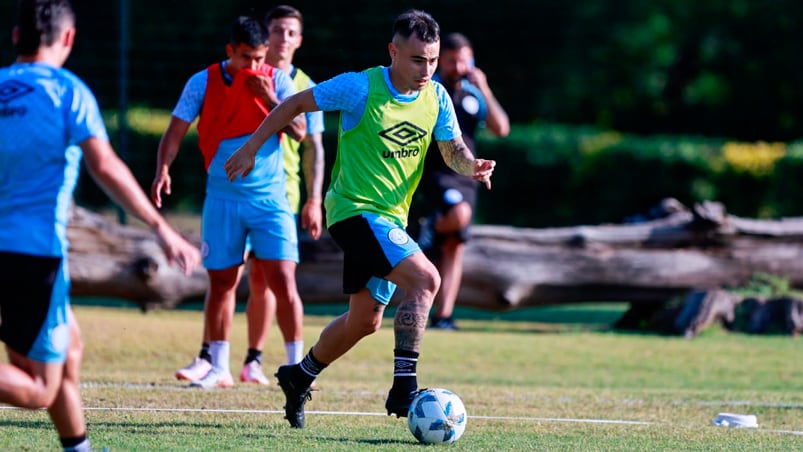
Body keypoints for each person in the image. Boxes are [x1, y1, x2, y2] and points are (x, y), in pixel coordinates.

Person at [224, 9, 496, 428]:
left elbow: (452, 149)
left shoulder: (437, 97)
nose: (427, 70)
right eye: (417, 60)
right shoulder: (359, 87)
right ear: (393, 51)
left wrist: (472, 164)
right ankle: (405, 387)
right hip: (353, 211)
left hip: (390, 220)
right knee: (426, 279)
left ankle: (299, 376)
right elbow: (295, 102)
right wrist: (252, 148)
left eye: (433, 60)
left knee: (364, 321)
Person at [0, 1, 201, 450]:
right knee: (38, 389)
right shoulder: (67, 91)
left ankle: (79, 448)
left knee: (69, 347)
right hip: (31, 254)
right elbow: (105, 165)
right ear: (68, 39)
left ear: (16, 38)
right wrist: (160, 228)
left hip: (21, 254)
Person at [151, 15, 310, 389]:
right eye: (245, 58)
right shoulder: (202, 82)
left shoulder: (278, 80)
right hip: (222, 199)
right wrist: (162, 169)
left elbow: (300, 132)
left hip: (270, 200)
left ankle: (298, 369)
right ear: (229, 52)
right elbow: (175, 131)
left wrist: (268, 98)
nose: (254, 66)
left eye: (259, 58)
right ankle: (219, 367)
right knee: (221, 282)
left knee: (283, 281)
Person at [412, 32, 510, 330]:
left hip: (466, 176)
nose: (459, 66)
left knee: (455, 245)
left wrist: (485, 89)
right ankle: (428, 227)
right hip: (436, 174)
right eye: (453, 60)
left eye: (464, 60)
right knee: (459, 215)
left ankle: (444, 315)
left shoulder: (473, 95)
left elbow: (501, 128)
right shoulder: (431, 90)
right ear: (442, 61)